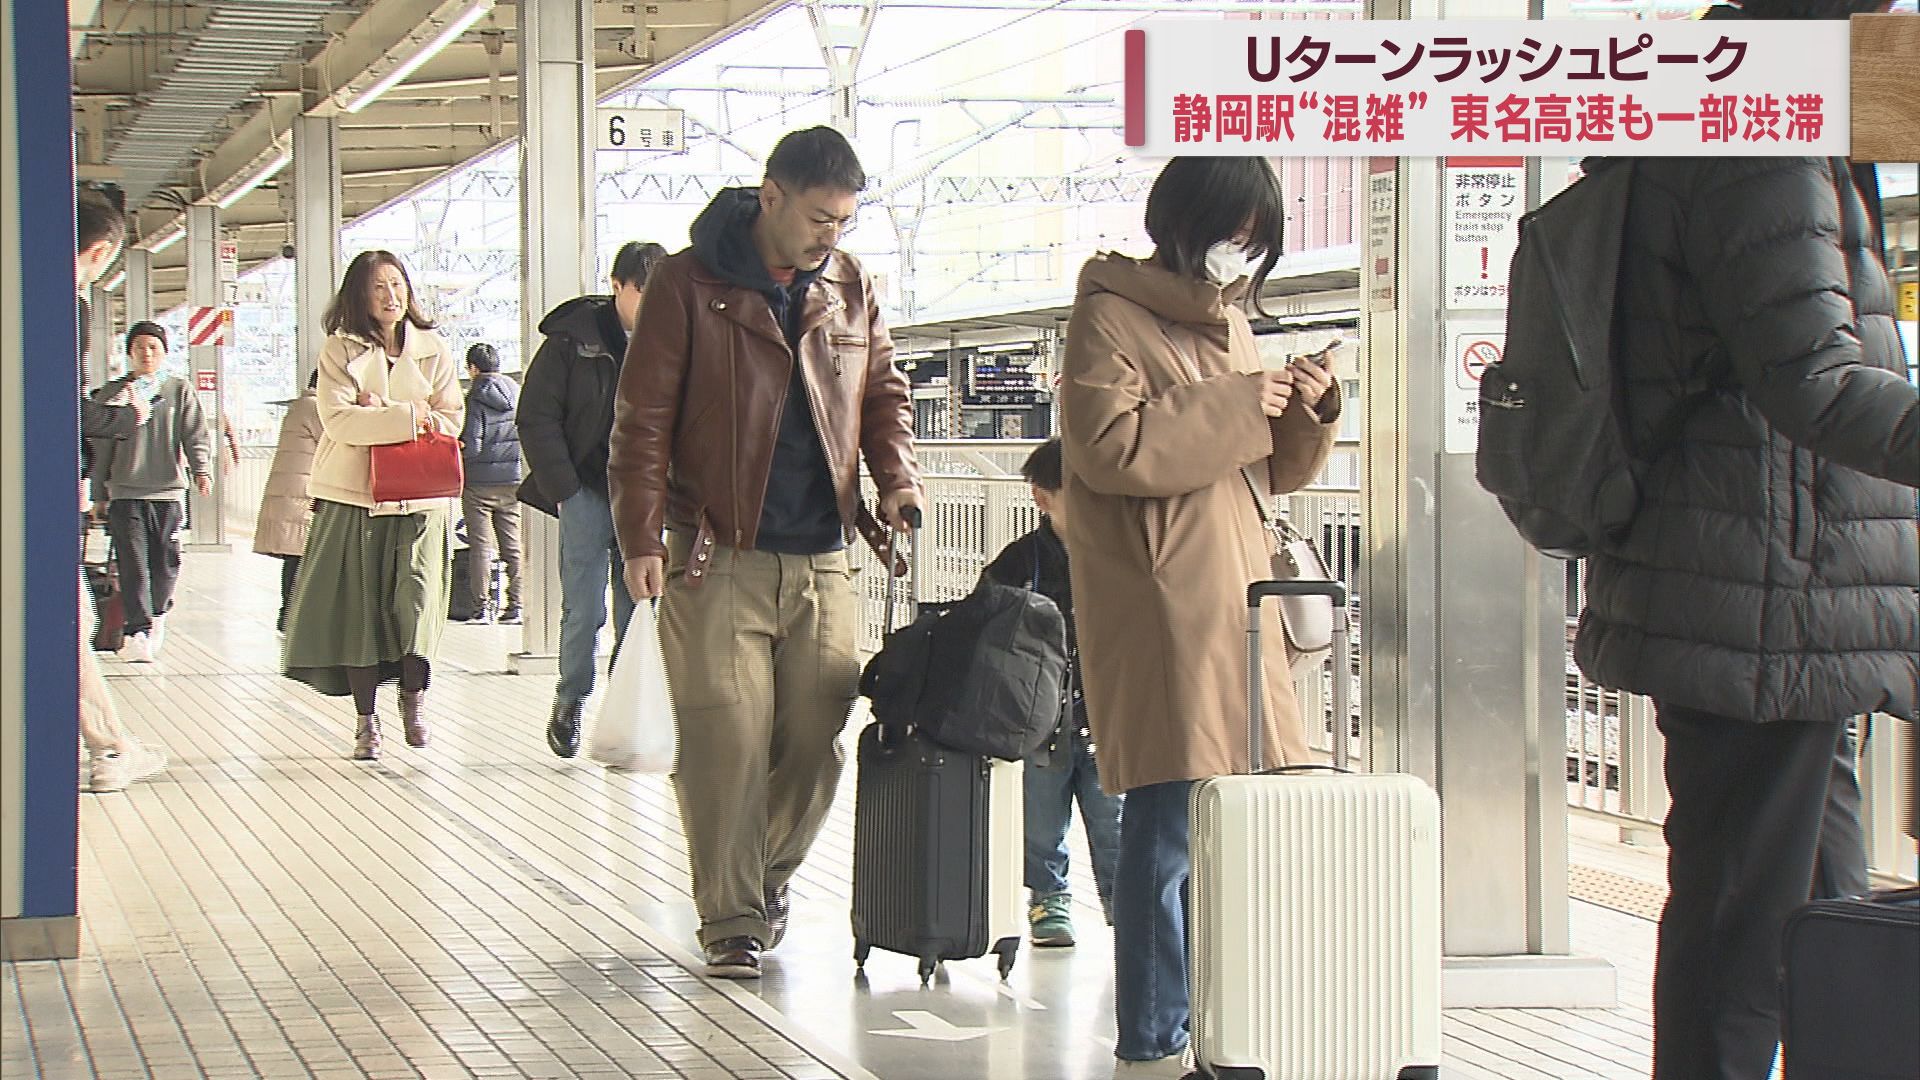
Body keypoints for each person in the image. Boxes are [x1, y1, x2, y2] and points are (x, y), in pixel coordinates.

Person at [1571, 4, 1918, 1077]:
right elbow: (1812, 380)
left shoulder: (1766, 122)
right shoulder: (1754, 131)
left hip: (1788, 593)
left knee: (1819, 921)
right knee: (1746, 931)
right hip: (1765, 592)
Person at [608, 126, 921, 979]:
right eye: (821, 218)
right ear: (771, 196)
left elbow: (884, 396)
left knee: (818, 739)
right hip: (716, 557)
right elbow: (641, 424)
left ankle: (762, 878)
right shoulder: (687, 283)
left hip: (824, 554)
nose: (833, 237)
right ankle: (731, 919)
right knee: (726, 748)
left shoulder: (851, 286)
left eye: (845, 222)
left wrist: (895, 481)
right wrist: (640, 535)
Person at [1056, 156, 1341, 1076]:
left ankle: (1215, 1025)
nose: (1241, 257)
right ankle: (1151, 1038)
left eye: (1256, 243)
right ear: (1183, 223)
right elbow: (1106, 451)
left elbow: (1264, 469)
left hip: (1237, 596)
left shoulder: (1231, 325)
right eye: (1235, 235)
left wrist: (1311, 411)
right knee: (1170, 821)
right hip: (1167, 605)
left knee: (1234, 825)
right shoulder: (1108, 316)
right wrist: (1231, 403)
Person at [282, 250, 463, 761]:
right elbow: (339, 423)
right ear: (359, 295)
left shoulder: (435, 349)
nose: (391, 296)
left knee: (419, 601)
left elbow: (452, 421)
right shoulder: (339, 350)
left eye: (398, 284)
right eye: (378, 287)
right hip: (353, 496)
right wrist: (412, 416)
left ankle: (414, 698)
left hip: (422, 494)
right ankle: (366, 721)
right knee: (359, 609)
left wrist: (382, 410)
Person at [517, 240, 667, 756]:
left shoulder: (676, 341)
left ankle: (623, 708)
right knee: (583, 608)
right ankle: (571, 700)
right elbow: (536, 415)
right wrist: (564, 489)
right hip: (584, 488)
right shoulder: (571, 340)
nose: (650, 304)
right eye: (641, 291)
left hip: (645, 496)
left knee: (640, 605)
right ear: (617, 286)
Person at [980, 437, 1122, 949]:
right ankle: (1048, 898)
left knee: (1116, 819)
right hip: (1041, 719)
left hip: (1108, 716)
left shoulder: (1119, 555)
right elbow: (986, 629)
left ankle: (1123, 906)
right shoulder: (1020, 563)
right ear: (1043, 498)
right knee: (1040, 820)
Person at [73, 182, 167, 793]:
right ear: (104, 251)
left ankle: (108, 744)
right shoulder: (69, 300)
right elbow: (67, 408)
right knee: (65, 618)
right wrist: (126, 416)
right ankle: (109, 750)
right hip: (43, 490)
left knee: (72, 616)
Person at [88, 320, 214, 662]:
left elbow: (195, 433)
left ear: (164, 353)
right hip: (125, 493)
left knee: (166, 563)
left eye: (153, 347)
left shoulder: (178, 390)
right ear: (129, 353)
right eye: (139, 347)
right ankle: (137, 631)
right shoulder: (112, 394)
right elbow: (100, 450)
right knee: (133, 565)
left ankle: (157, 614)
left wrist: (201, 469)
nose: (146, 353)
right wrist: (99, 494)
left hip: (167, 493)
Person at [458, 342, 523, 623]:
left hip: (479, 484)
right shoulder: (515, 391)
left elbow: (473, 444)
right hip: (512, 480)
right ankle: (516, 606)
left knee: (482, 546)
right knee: (513, 546)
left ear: (473, 368)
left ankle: (481, 608)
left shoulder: (476, 396)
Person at [254, 370, 323, 634]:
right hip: (304, 494)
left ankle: (289, 614)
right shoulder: (316, 407)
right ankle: (293, 615)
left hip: (294, 492)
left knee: (296, 557)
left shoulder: (300, 405)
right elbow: (341, 439)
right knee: (301, 556)